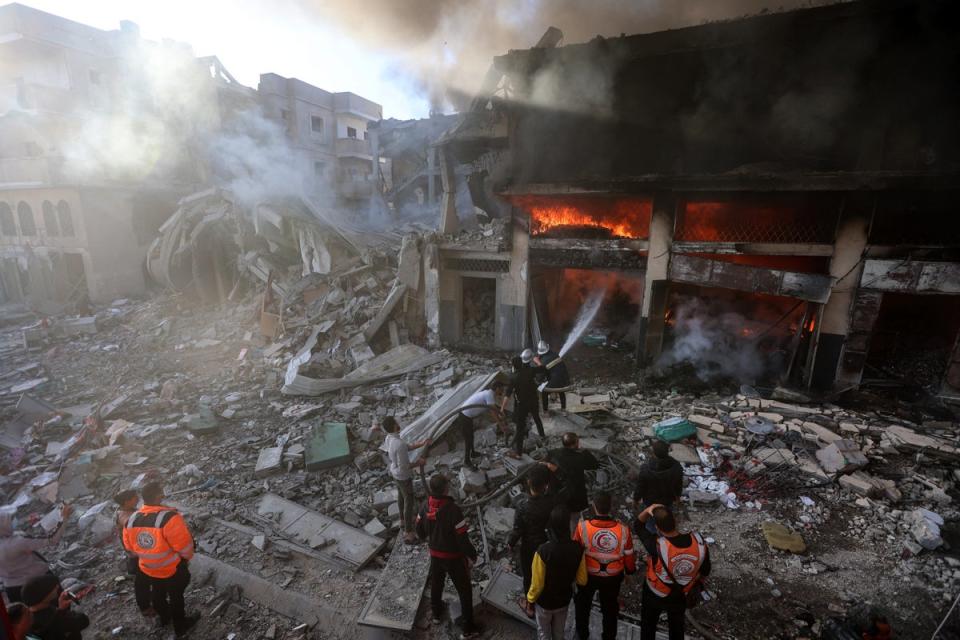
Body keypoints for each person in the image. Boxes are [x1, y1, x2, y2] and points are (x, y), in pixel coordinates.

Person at [123, 483, 199, 638]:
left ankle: (164, 618)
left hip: (148, 569)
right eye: (161, 493)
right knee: (176, 597)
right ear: (159, 496)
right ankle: (180, 627)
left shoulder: (131, 520)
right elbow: (185, 547)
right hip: (172, 569)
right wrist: (185, 559)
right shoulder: (170, 518)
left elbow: (130, 549)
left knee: (158, 594)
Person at [416, 474, 481, 640]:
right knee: (465, 591)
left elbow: (419, 530)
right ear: (445, 489)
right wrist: (472, 555)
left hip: (435, 555)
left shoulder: (424, 507)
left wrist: (430, 539)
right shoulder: (453, 510)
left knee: (437, 583)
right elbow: (462, 539)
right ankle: (468, 629)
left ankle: (436, 614)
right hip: (453, 558)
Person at [636, 505, 710, 640]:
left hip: (655, 593)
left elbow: (638, 526)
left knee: (648, 625)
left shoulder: (655, 545)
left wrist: (648, 510)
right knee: (677, 629)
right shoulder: (699, 543)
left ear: (657, 528)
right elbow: (706, 570)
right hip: (681, 594)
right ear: (676, 521)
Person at [573, 491, 636, 640]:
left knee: (582, 606)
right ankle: (609, 637)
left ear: (594, 507)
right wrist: (630, 571)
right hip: (613, 577)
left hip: (588, 575)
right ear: (611, 507)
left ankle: (581, 635)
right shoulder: (623, 530)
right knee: (610, 609)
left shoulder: (583, 528)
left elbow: (575, 552)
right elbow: (629, 556)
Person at [526, 505, 587, 640]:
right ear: (567, 524)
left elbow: (537, 585)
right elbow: (582, 580)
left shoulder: (543, 551)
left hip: (544, 603)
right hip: (564, 601)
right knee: (559, 633)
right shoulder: (578, 549)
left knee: (544, 633)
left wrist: (530, 600)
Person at [0, 506, 72, 603]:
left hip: (13, 589)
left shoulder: (7, 542)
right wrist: (64, 517)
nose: (13, 521)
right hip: (38, 583)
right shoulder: (17, 542)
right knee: (60, 607)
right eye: (10, 520)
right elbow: (52, 539)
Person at [382, 416, 431, 545]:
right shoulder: (399, 444)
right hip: (403, 476)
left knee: (402, 497)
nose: (398, 423)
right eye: (396, 422)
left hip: (395, 473)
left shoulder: (390, 438)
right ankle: (408, 533)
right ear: (393, 426)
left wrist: (421, 443)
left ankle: (403, 521)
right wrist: (418, 462)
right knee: (408, 501)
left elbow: (406, 448)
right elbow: (405, 465)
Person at [509, 465, 557, 594]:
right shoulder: (552, 502)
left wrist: (510, 543)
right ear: (545, 485)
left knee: (528, 574)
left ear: (529, 483)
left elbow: (517, 530)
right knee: (545, 571)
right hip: (547, 544)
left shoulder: (522, 506)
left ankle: (530, 603)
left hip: (529, 547)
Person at [543, 433, 599, 530]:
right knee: (574, 519)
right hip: (574, 495)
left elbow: (546, 469)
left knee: (558, 518)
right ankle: (572, 538)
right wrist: (585, 451)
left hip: (557, 494)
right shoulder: (580, 457)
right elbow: (595, 465)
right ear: (574, 444)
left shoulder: (552, 453)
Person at [113, 490, 154, 618]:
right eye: (134, 498)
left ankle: (149, 602)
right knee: (142, 582)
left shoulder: (125, 510)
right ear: (126, 501)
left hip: (136, 552)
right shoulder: (125, 517)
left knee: (145, 580)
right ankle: (145, 607)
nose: (137, 499)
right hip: (136, 555)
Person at [632, 440, 683, 534]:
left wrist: (635, 500)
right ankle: (665, 534)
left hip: (650, 502)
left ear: (654, 453)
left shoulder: (646, 468)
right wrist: (678, 498)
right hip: (668, 500)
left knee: (651, 521)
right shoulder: (676, 467)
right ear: (668, 451)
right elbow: (678, 485)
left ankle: (652, 536)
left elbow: (640, 487)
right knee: (665, 518)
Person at [453, 382, 505, 469]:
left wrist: (500, 412)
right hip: (464, 416)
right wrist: (501, 425)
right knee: (468, 439)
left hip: (467, 416)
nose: (502, 390)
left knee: (471, 436)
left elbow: (494, 408)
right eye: (501, 388)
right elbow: (492, 411)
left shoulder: (488, 393)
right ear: (497, 388)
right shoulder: (489, 394)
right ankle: (467, 461)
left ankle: (473, 453)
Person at [21, 574, 89, 640]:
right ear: (43, 596)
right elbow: (82, 621)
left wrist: (63, 609)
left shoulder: (33, 613)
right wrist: (63, 611)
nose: (57, 587)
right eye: (53, 588)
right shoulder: (40, 622)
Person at [503, 354, 544, 459]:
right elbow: (542, 368)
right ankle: (543, 437)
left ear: (513, 366)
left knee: (520, 428)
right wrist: (537, 361)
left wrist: (502, 408)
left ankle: (519, 453)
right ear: (522, 363)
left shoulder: (513, 377)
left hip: (522, 405)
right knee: (536, 418)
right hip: (533, 401)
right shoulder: (529, 370)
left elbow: (507, 394)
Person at [534, 341, 569, 412]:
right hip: (565, 382)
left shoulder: (543, 361)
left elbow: (540, 377)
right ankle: (563, 408)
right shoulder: (556, 355)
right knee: (561, 391)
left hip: (555, 384)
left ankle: (545, 411)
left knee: (544, 393)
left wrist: (538, 362)